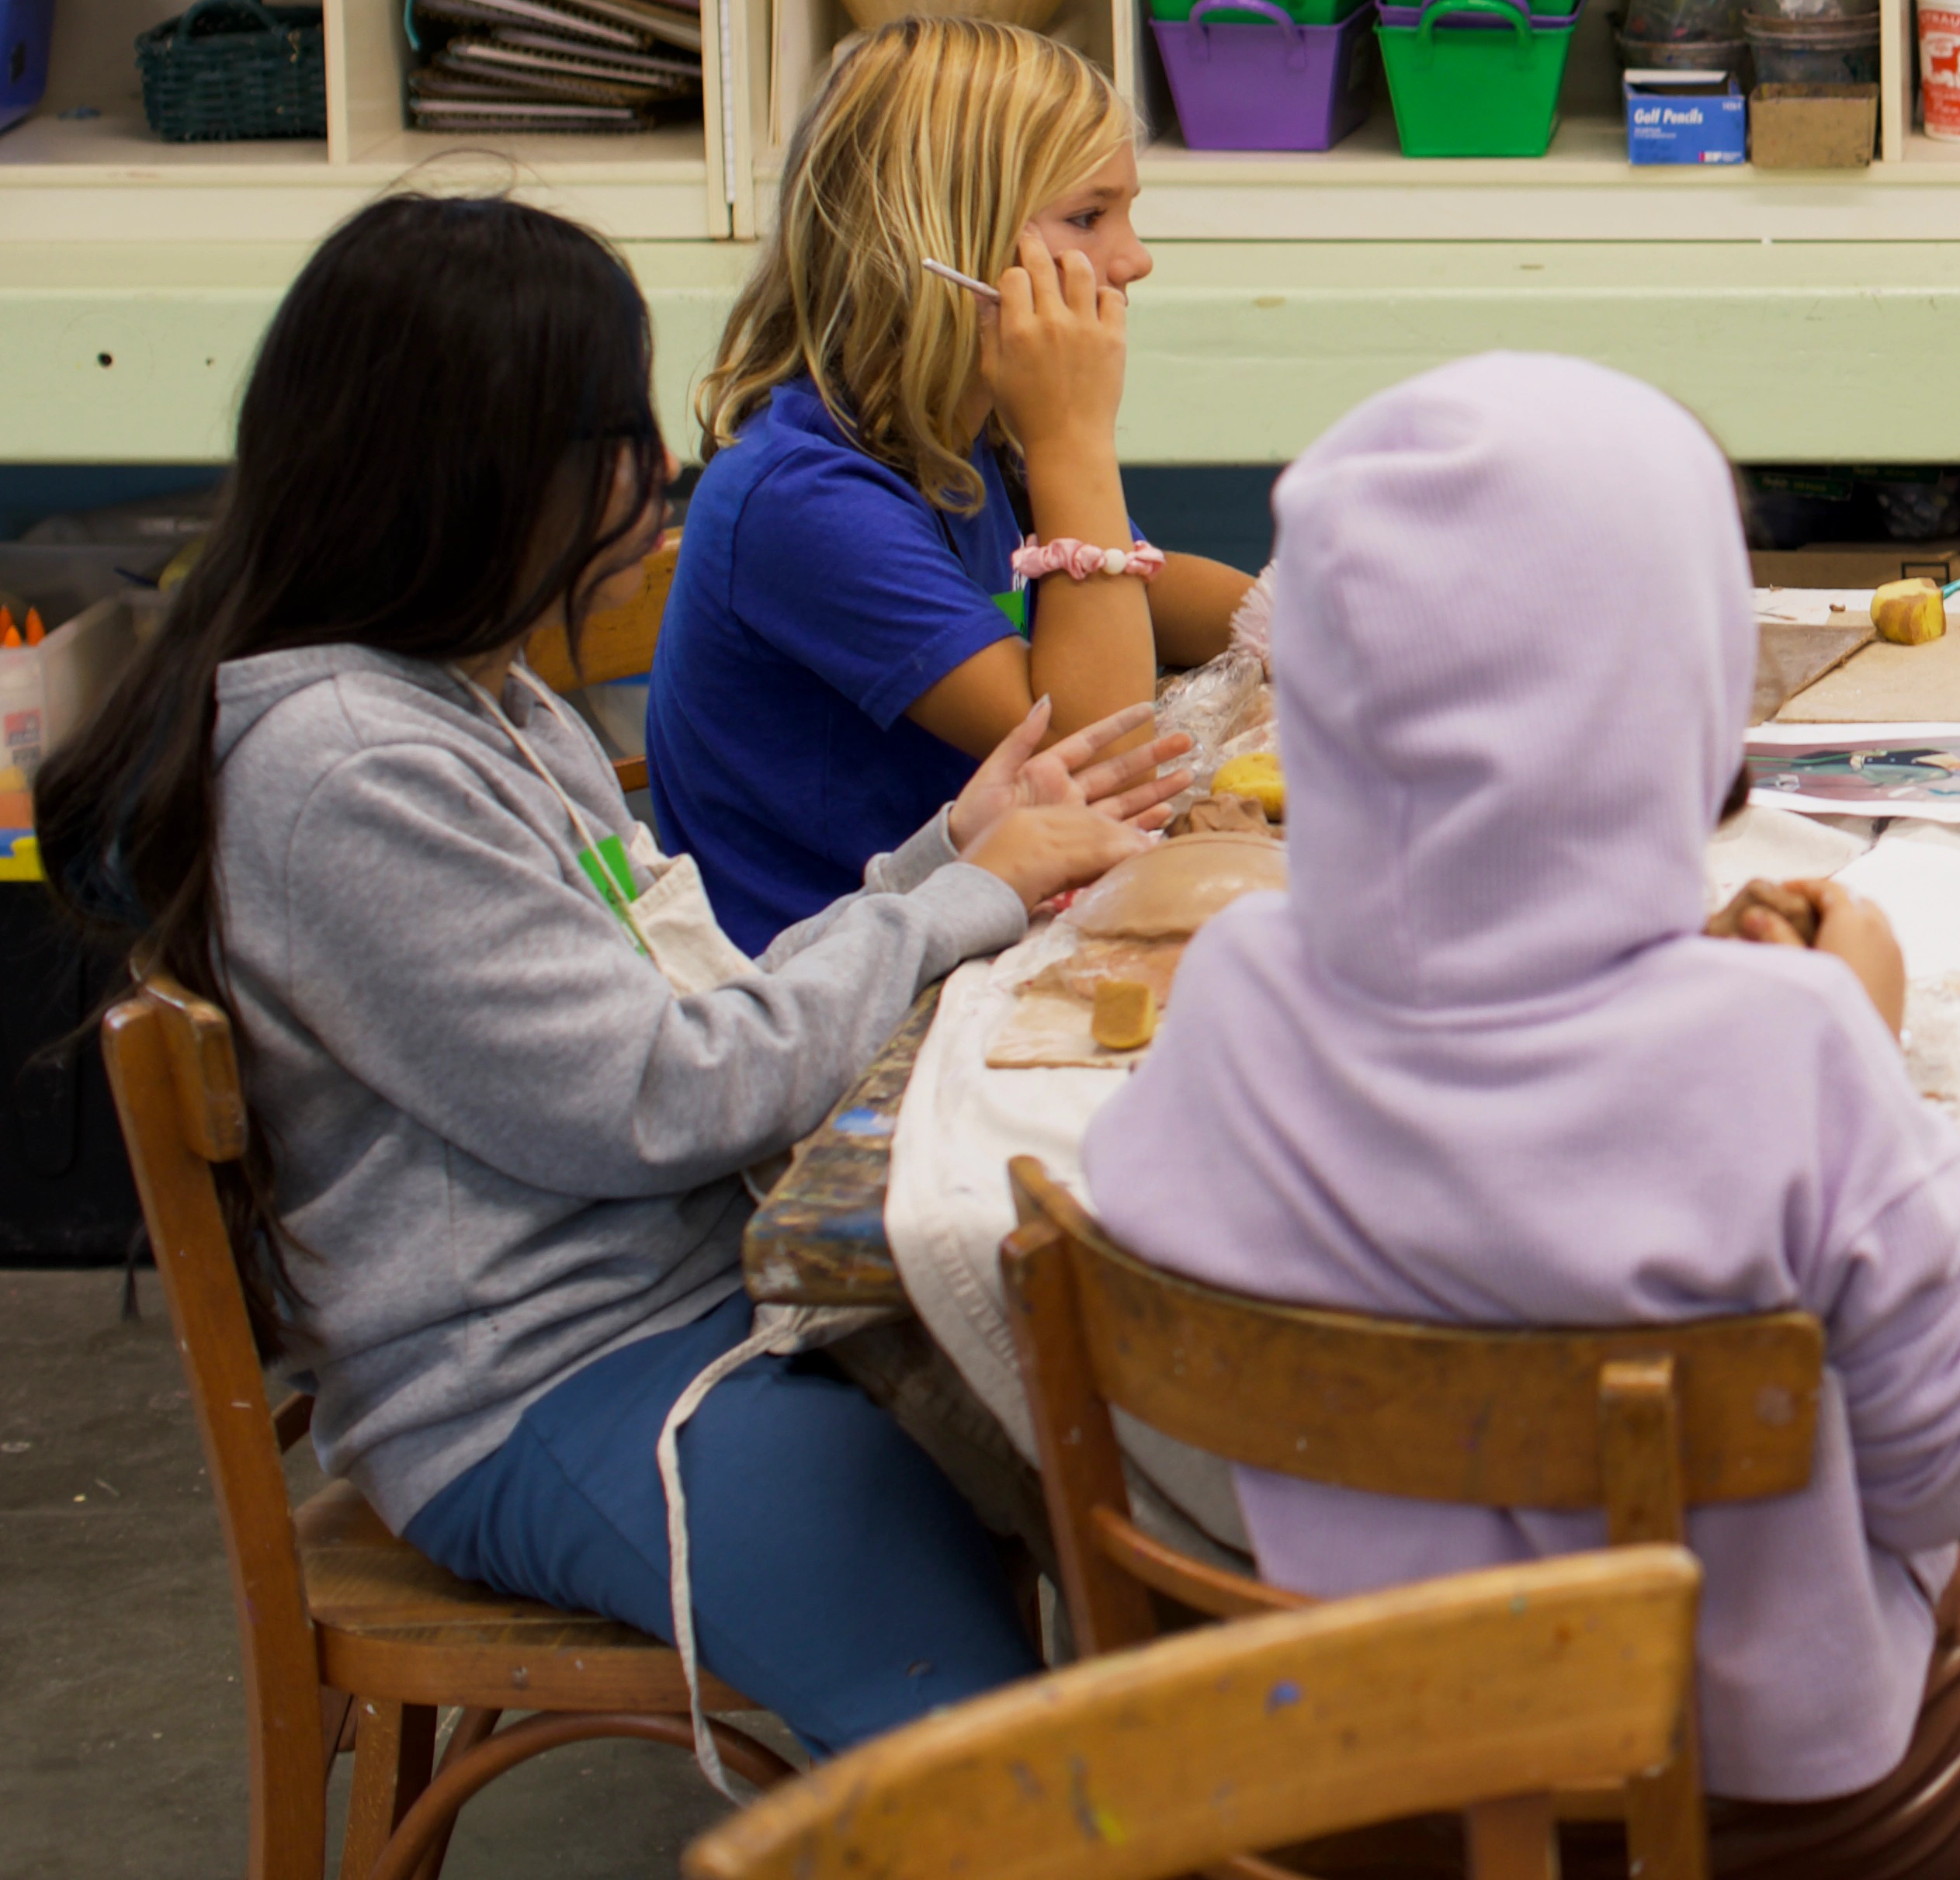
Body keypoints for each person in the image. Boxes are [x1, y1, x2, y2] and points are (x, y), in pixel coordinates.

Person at [1085, 354, 1960, 1880]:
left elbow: (1155, 1252)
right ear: (1692, 675)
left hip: (1370, 1771)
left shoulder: (1235, 999)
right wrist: (1850, 1037)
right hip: (1779, 1781)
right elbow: (1942, 1479)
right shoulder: (1789, 1046)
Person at [36, 193, 1175, 1759]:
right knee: (1000, 1760)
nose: (650, 474)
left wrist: (937, 860)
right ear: (465, 467)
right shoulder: (347, 769)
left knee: (1114, 1488)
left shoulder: (481, 699)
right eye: (605, 435)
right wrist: (959, 898)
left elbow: (678, 997)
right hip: (546, 1382)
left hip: (678, 1294)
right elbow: (661, 1093)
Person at [647, 17, 1255, 949]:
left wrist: (1314, 625)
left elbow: (1141, 584)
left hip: (970, 921)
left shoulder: (965, 431)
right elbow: (1103, 742)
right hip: (838, 994)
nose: (1133, 259)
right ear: (943, 247)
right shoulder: (802, 496)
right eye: (1089, 218)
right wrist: (1073, 436)